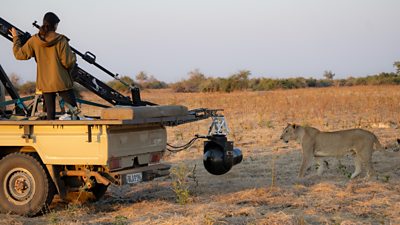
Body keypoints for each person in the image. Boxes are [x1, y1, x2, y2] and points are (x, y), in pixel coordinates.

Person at [10, 12, 78, 120]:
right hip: (62, 81)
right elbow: (68, 62)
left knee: (49, 115)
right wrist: (73, 57)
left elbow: (19, 54)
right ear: (55, 25)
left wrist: (15, 37)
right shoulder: (61, 40)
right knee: (74, 112)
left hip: (45, 83)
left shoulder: (34, 40)